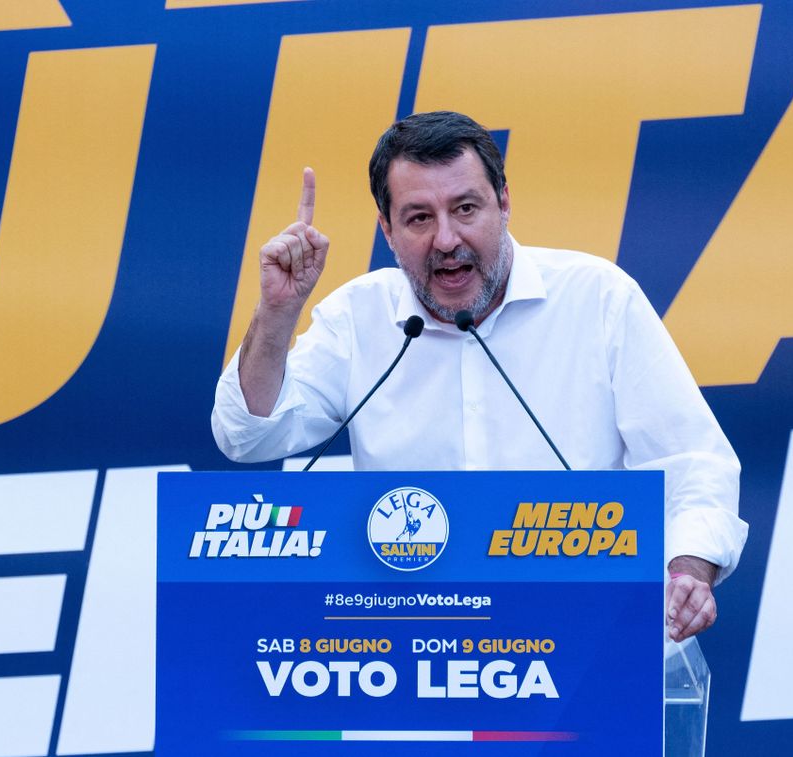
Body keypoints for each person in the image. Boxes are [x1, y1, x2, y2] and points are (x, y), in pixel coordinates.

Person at [212, 111, 747, 641]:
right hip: (412, 653)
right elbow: (247, 434)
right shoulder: (357, 318)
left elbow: (692, 463)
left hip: (583, 639)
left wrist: (686, 572)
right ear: (388, 229)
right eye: (419, 217)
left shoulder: (598, 298)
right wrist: (277, 313)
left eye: (465, 208)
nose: (446, 239)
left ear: (504, 202)